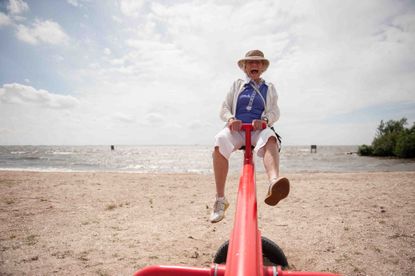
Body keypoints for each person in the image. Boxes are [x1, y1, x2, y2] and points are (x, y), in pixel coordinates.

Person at [210, 50, 290, 223]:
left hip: (258, 130)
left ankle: (273, 182)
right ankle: (220, 200)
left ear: (262, 68)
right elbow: (224, 107)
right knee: (219, 142)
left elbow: (275, 111)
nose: (255, 65)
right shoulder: (237, 84)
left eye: (258, 63)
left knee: (270, 138)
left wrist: (265, 120)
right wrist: (231, 119)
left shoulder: (269, 87)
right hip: (236, 130)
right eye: (251, 62)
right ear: (245, 67)